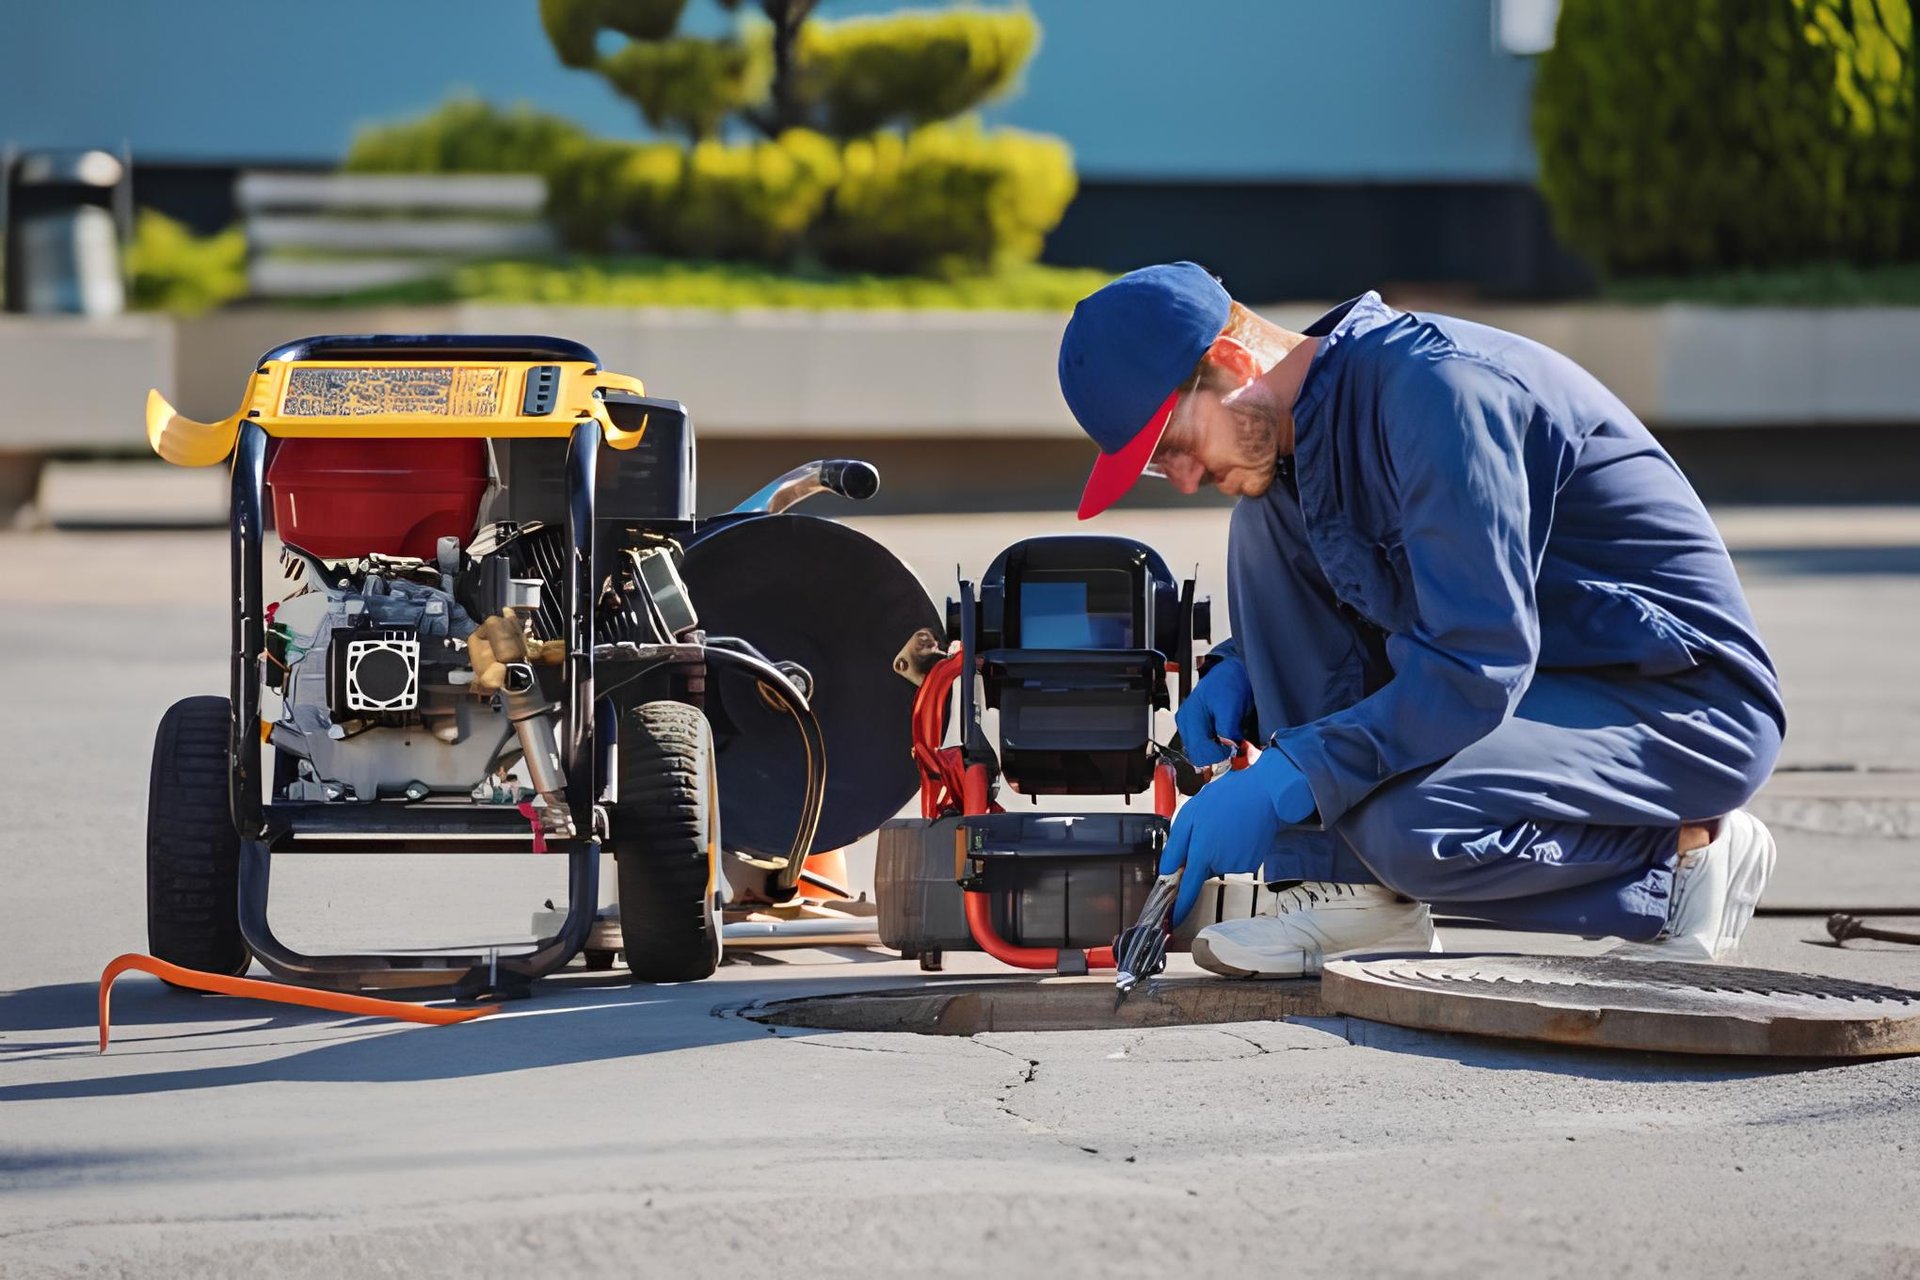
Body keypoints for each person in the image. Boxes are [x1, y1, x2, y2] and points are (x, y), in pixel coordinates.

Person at [1057, 263, 1786, 976]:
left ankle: (1686, 855)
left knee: (1411, 827)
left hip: (1679, 702)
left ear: (1231, 360)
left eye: (1172, 448)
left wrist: (1294, 773)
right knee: (1263, 511)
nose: (1182, 480)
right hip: (1539, 679)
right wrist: (1247, 667)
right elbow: (1391, 597)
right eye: (1159, 467)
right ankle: (1354, 898)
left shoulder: (1440, 393)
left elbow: (1476, 664)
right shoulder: (1306, 430)